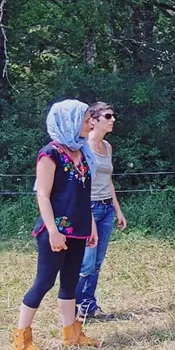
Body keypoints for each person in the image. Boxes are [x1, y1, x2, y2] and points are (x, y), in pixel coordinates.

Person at [12, 100, 101, 350]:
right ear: (69, 122)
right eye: (86, 120)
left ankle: (70, 334)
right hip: (55, 230)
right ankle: (21, 339)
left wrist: (91, 224)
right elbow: (42, 195)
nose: (91, 123)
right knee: (44, 282)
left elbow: (84, 195)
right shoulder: (49, 154)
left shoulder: (83, 152)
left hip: (80, 229)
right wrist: (52, 230)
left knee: (70, 283)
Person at [75, 102, 128, 320]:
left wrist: (117, 210)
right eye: (108, 116)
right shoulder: (82, 147)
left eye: (113, 116)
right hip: (89, 208)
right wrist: (88, 216)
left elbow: (109, 180)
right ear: (94, 120)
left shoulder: (107, 147)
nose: (113, 119)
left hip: (106, 207)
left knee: (97, 262)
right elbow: (79, 186)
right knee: (86, 262)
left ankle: (89, 307)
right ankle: (75, 308)